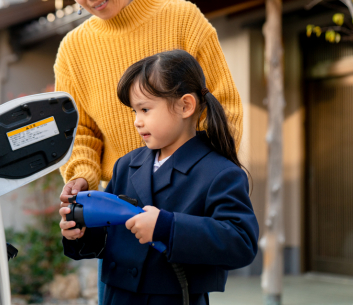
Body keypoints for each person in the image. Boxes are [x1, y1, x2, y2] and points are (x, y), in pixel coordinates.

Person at [52, 0, 244, 303]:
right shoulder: (73, 50)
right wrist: (83, 179)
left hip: (183, 212)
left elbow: (223, 106)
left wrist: (180, 178)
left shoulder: (181, 19)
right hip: (118, 217)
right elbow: (79, 131)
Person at [59, 50, 259, 305]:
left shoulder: (220, 172)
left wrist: (167, 227)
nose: (137, 121)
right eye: (134, 111)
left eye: (145, 109)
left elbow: (241, 242)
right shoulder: (127, 165)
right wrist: (80, 232)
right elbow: (108, 233)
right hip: (117, 297)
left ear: (186, 105)